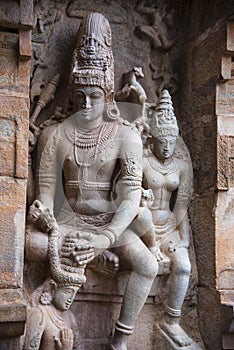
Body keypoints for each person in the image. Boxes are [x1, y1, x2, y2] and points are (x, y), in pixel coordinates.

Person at [26, 13, 158, 350]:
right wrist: (49, 220)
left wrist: (104, 240)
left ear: (109, 92)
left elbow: (130, 197)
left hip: (108, 224)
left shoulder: (125, 135)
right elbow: (46, 198)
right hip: (68, 223)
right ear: (71, 90)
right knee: (30, 244)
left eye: (94, 96)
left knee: (147, 264)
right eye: (80, 94)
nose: (86, 104)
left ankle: (121, 339)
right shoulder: (54, 135)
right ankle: (90, 262)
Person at [142, 90, 194, 347]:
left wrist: (183, 241)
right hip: (143, 227)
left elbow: (181, 207)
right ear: (152, 138)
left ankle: (171, 322)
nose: (166, 147)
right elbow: (128, 201)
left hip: (170, 227)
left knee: (183, 267)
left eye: (171, 141)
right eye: (162, 140)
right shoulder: (141, 161)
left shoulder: (181, 166)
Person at [23, 279, 79, 350]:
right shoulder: (39, 314)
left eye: (75, 293)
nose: (70, 299)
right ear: (53, 288)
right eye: (67, 292)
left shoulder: (70, 316)